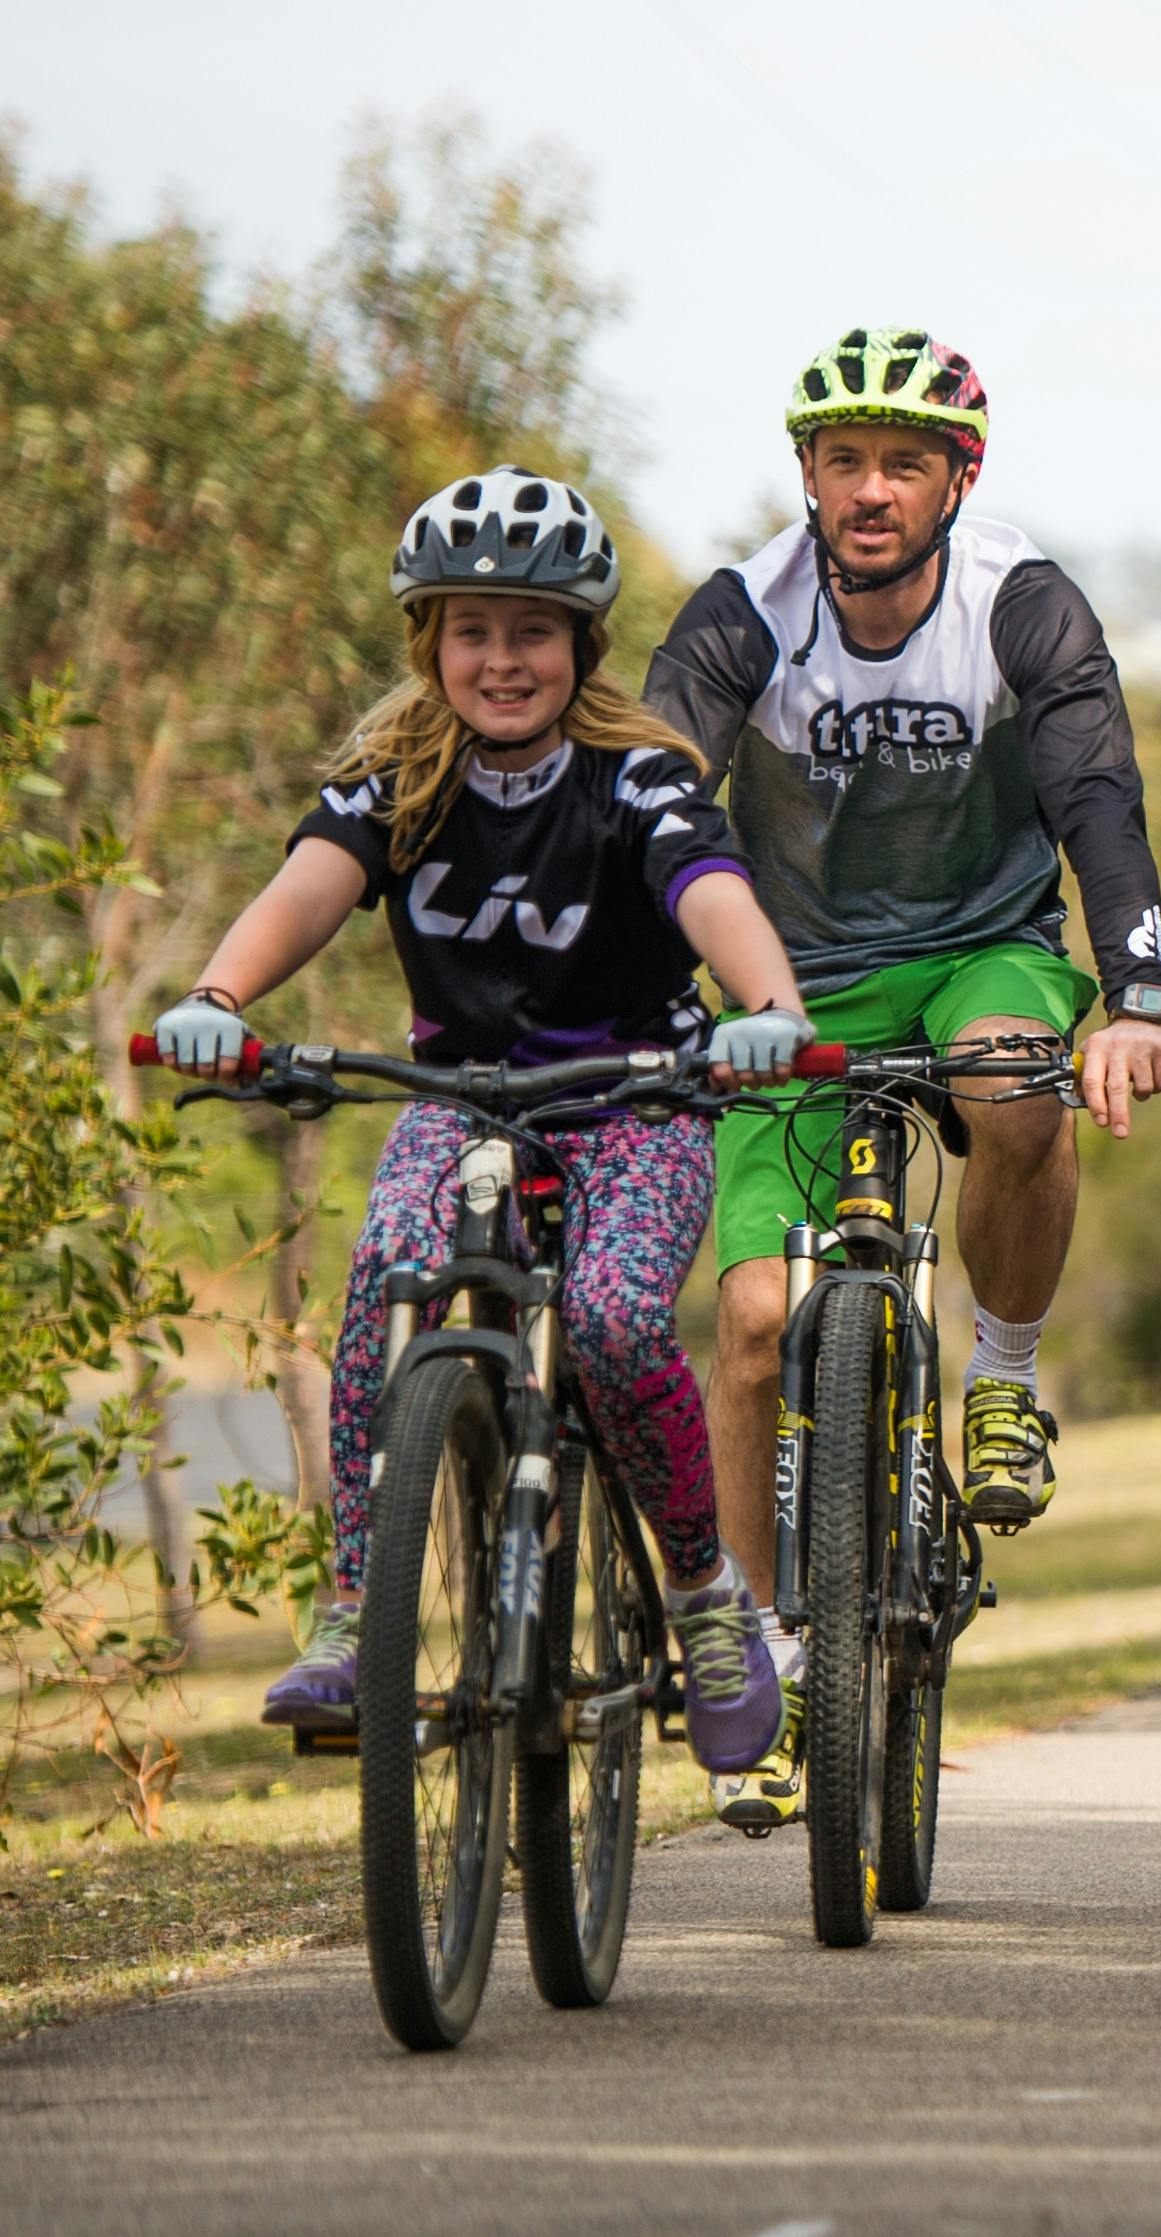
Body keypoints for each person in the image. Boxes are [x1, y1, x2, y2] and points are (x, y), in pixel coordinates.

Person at [155, 469, 804, 1777]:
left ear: (582, 646)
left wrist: (769, 1005)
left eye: (532, 631)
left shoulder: (637, 779)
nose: (501, 661)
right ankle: (353, 1606)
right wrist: (220, 994)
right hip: (458, 1103)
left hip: (636, 1102)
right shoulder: (394, 779)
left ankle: (701, 1595)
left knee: (618, 1324)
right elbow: (310, 886)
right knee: (388, 1278)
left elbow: (712, 888)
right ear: (430, 644)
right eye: (472, 630)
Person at [644, 325, 1161, 1827]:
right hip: (786, 987)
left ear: (958, 477)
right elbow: (654, 795)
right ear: (806, 474)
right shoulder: (745, 615)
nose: (869, 489)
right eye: (842, 461)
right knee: (753, 1323)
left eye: (903, 461)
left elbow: (1096, 798)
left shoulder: (1023, 605)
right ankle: (760, 1648)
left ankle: (1003, 1382)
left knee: (1012, 1083)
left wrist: (1134, 991)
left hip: (979, 950)